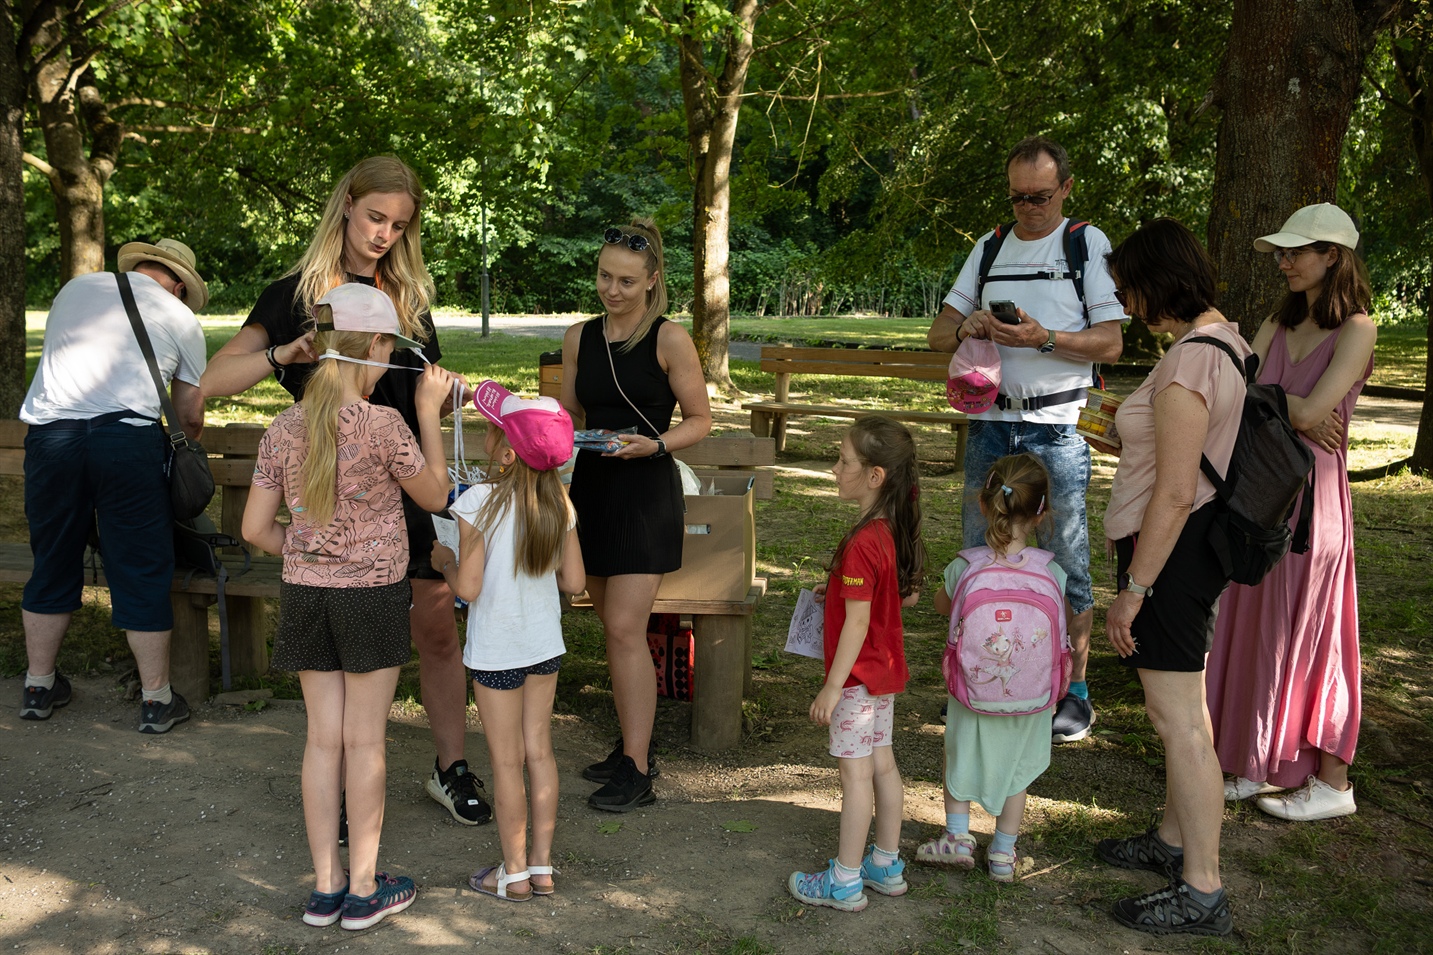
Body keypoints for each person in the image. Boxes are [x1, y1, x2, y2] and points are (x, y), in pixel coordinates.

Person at [201, 155, 491, 826]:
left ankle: (449, 768)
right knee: (339, 657)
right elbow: (212, 381)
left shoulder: (406, 299)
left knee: (436, 631)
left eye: (399, 224)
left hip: (406, 484)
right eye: (375, 217)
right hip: (337, 499)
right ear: (346, 206)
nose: (384, 234)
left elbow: (419, 394)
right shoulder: (295, 296)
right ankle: (340, 786)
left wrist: (447, 398)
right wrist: (284, 353)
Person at [243, 283, 455, 931]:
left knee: (321, 741)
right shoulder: (385, 425)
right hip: (372, 597)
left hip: (306, 594)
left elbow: (254, 529)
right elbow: (436, 496)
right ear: (378, 347)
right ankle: (364, 890)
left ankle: (325, 887)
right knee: (365, 741)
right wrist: (427, 410)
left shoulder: (284, 426)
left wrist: (310, 553)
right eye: (390, 349)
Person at [927, 136, 1124, 745]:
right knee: (979, 551)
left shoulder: (1085, 244)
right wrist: (968, 324)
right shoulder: (990, 247)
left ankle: (1073, 690)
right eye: (1018, 198)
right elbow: (938, 334)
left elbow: (1112, 342)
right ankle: (980, 676)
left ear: (1066, 188)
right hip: (990, 423)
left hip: (1059, 424)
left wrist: (1044, 339)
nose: (1029, 209)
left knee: (1065, 555)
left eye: (1040, 197)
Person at [1095, 218, 1245, 937]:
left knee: (1175, 719)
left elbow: (1177, 491)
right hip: (1188, 550)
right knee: (1185, 709)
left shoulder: (1189, 362)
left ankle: (1202, 888)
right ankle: (1173, 838)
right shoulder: (1226, 341)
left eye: (1130, 289)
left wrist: (1134, 589)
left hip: (1171, 554)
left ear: (1160, 282)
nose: (1126, 304)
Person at [1206, 204, 1377, 821]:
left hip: (1313, 499)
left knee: (1311, 625)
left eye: (1296, 250)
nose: (1284, 261)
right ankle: (1255, 762)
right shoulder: (1277, 321)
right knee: (1252, 617)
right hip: (1260, 489)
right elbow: (1238, 390)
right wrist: (1289, 404)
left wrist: (1277, 403)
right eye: (1281, 250)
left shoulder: (1358, 328)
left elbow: (1305, 412)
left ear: (1334, 256)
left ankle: (1332, 783)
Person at [18, 238, 208, 733]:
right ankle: (156, 700)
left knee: (52, 557)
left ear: (139, 266)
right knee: (140, 565)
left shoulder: (75, 289)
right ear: (180, 286)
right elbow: (189, 416)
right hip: (127, 442)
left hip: (51, 438)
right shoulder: (181, 317)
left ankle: (38, 687)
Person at [559, 218, 712, 812]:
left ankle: (639, 768)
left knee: (625, 628)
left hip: (646, 491)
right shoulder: (579, 337)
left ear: (652, 280)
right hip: (593, 488)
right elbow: (570, 415)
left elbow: (700, 420)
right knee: (613, 628)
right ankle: (631, 744)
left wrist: (655, 445)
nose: (612, 290)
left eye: (626, 280)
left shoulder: (670, 339)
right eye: (604, 276)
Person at [432, 381, 586, 901]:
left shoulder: (477, 502)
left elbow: (469, 588)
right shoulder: (559, 503)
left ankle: (513, 873)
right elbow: (574, 581)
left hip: (497, 652)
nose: (486, 436)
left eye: (494, 431)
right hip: (544, 648)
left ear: (506, 453)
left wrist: (445, 563)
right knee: (539, 752)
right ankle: (541, 867)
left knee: (505, 762)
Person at [788, 416, 925, 913]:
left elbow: (859, 621)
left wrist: (833, 685)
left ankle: (844, 881)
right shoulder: (890, 530)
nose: (833, 469)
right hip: (881, 676)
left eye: (842, 460)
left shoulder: (864, 540)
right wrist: (837, 593)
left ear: (874, 476)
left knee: (855, 776)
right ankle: (885, 865)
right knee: (882, 765)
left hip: (856, 682)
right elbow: (898, 598)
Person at [920, 453, 1068, 882]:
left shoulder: (964, 567)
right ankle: (1003, 853)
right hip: (1032, 694)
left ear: (983, 505)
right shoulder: (1052, 572)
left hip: (973, 689)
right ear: (1041, 513)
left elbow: (942, 607)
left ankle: (957, 837)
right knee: (1018, 770)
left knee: (959, 756)